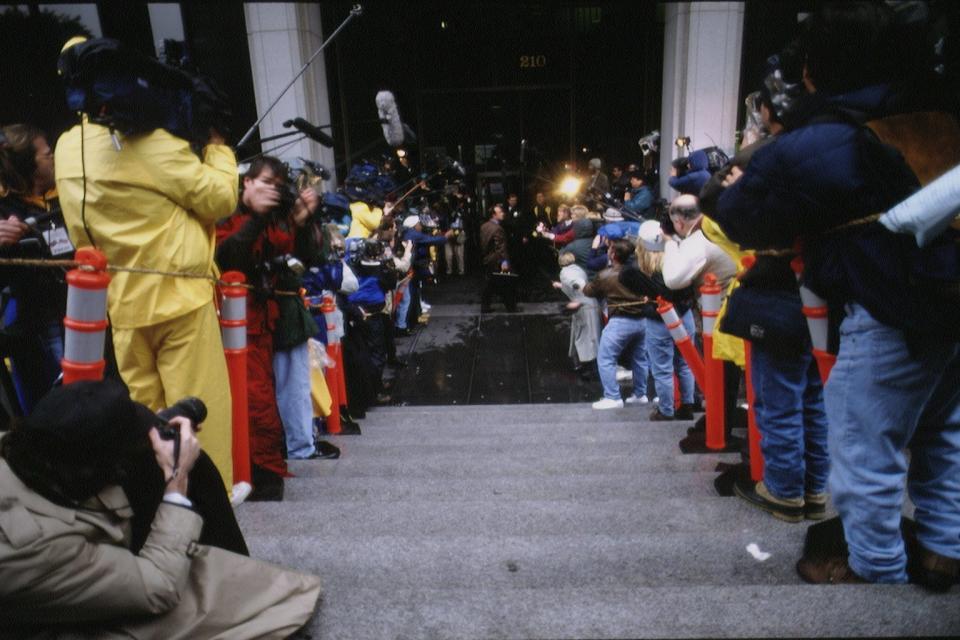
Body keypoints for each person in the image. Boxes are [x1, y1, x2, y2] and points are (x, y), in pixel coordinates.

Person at [714, 2, 960, 588]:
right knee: (944, 436)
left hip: (890, 305)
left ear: (816, 71)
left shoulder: (827, 137)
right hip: (950, 301)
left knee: (862, 448)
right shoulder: (938, 118)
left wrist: (730, 182)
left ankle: (876, 575)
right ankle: (943, 554)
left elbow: (743, 214)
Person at [0, 380, 321, 638]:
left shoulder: (30, 455)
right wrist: (176, 481)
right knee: (189, 610)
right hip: (30, 620)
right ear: (91, 472)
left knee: (165, 463)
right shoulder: (34, 546)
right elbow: (157, 587)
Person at [56, 93, 237, 492]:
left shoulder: (68, 149)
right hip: (181, 302)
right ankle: (211, 510)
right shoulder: (154, 144)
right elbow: (219, 198)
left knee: (146, 422)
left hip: (123, 306)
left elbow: (77, 231)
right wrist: (218, 150)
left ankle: (156, 505)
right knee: (198, 416)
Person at [216, 157, 320, 499]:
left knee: (263, 395)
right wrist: (261, 217)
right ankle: (255, 472)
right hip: (230, 322)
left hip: (259, 321)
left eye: (277, 184)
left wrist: (303, 221)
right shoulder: (222, 210)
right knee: (252, 397)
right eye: (265, 181)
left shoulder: (273, 218)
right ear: (246, 182)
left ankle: (263, 471)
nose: (271, 190)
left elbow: (304, 257)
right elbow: (227, 255)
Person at [0, 124, 72, 412]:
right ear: (27, 166)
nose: (53, 158)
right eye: (47, 154)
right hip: (39, 320)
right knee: (58, 401)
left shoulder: (66, 193)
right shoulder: (6, 209)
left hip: (81, 310)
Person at [621, 221, 697, 421]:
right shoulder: (679, 261)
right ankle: (687, 405)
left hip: (659, 319)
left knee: (662, 368)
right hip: (684, 314)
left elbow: (625, 275)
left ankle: (666, 409)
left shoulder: (641, 270)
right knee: (685, 362)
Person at [584, 238, 653, 410]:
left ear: (613, 254)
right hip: (643, 320)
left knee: (605, 358)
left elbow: (589, 291)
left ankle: (613, 397)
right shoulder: (640, 271)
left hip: (620, 321)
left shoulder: (606, 274)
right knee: (640, 359)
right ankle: (640, 394)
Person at [554, 251, 600, 376]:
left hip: (583, 306)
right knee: (590, 335)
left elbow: (576, 283)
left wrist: (580, 290)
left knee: (585, 337)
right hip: (589, 304)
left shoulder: (565, 272)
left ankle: (589, 367)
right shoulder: (578, 269)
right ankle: (586, 364)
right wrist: (560, 285)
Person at [479, 203, 516, 312]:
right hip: (496, 261)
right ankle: (510, 307)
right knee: (505, 283)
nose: (503, 214)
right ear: (494, 215)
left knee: (491, 284)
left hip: (487, 259)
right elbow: (500, 248)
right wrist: (504, 262)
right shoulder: (498, 229)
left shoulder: (484, 226)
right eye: (500, 212)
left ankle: (485, 307)